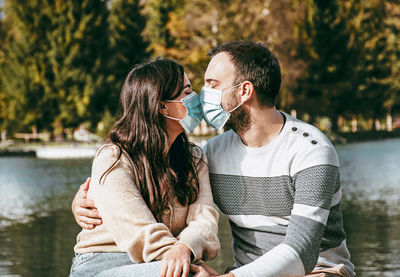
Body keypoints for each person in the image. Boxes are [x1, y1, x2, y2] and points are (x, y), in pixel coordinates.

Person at [73, 41, 355, 277]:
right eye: (193, 89)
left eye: (211, 85)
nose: (200, 96)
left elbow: (302, 250)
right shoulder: (215, 153)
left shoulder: (311, 151)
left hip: (316, 272)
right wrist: (84, 199)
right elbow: (119, 187)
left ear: (244, 91)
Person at [69, 58, 220, 277]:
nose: (195, 98)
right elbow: (140, 232)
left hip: (169, 261)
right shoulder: (113, 158)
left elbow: (204, 220)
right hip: (102, 264)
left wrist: (185, 249)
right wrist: (191, 264)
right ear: (161, 105)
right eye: (186, 93)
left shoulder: (194, 158)